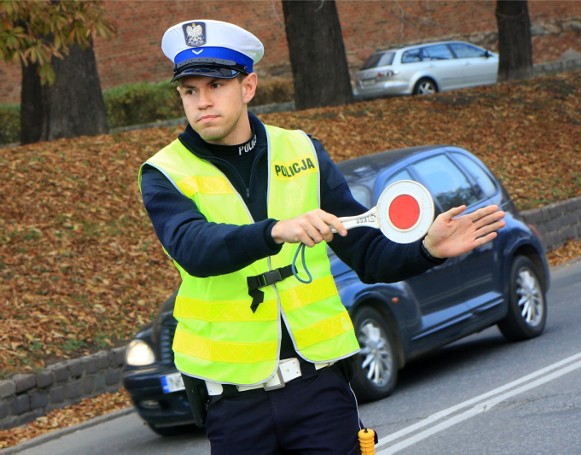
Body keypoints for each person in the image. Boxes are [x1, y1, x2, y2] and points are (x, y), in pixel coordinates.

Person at [139, 19, 506, 455]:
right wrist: (276, 231)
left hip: (320, 389)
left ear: (248, 86)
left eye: (215, 85)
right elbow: (193, 247)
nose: (202, 102)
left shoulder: (303, 152)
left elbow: (368, 252)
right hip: (233, 404)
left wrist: (428, 250)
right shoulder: (165, 172)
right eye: (189, 91)